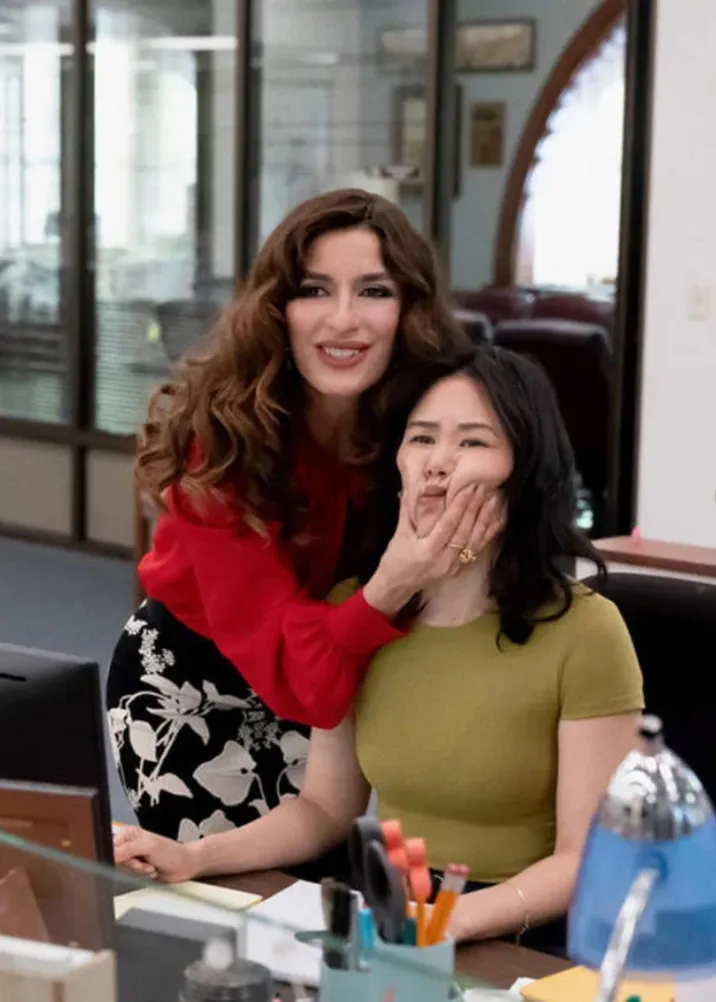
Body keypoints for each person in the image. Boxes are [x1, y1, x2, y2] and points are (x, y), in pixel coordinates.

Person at [115, 345, 645, 951]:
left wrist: (449, 922)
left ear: (525, 470)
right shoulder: (361, 611)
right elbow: (323, 808)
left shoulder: (586, 630)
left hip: (518, 933)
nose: (439, 463)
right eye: (422, 438)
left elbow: (585, 858)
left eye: (473, 442)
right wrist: (194, 856)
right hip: (395, 916)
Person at [107, 189, 502, 845]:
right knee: (242, 894)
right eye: (315, 290)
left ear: (408, 310)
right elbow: (301, 678)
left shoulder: (420, 422)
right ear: (278, 309)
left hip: (334, 667)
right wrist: (396, 580)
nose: (343, 319)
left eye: (374, 291)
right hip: (195, 690)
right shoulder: (221, 449)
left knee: (324, 878)